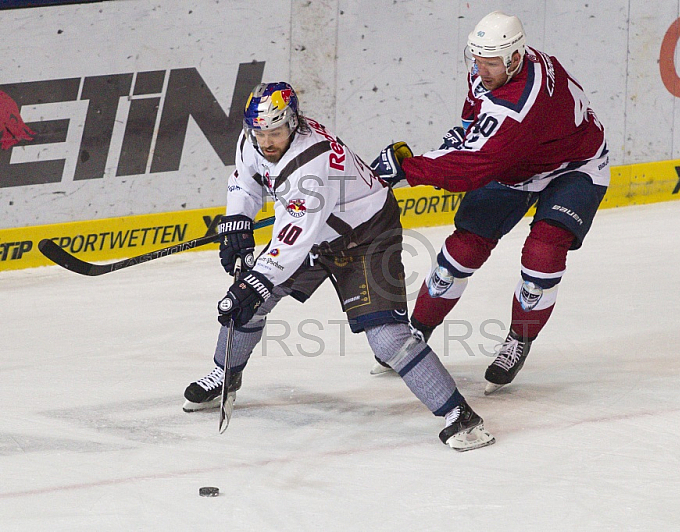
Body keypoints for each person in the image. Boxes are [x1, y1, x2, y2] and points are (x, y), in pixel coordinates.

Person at [182, 82, 494, 451]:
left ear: (294, 123)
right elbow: (246, 181)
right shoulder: (254, 137)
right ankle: (225, 373)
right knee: (251, 304)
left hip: (365, 236)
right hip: (315, 230)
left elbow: (290, 243)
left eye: (276, 132)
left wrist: (253, 283)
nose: (266, 142)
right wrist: (237, 220)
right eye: (260, 132)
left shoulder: (309, 164)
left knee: (388, 338)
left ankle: (460, 415)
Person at [371, 11, 610, 394]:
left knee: (543, 253)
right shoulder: (496, 67)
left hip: (574, 167)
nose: (482, 69)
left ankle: (520, 338)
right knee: (461, 252)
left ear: (516, 57)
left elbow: (473, 168)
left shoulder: (522, 103)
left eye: (491, 62)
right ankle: (417, 331)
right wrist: (437, 152)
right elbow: (474, 127)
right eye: (477, 58)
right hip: (518, 162)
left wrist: (408, 169)